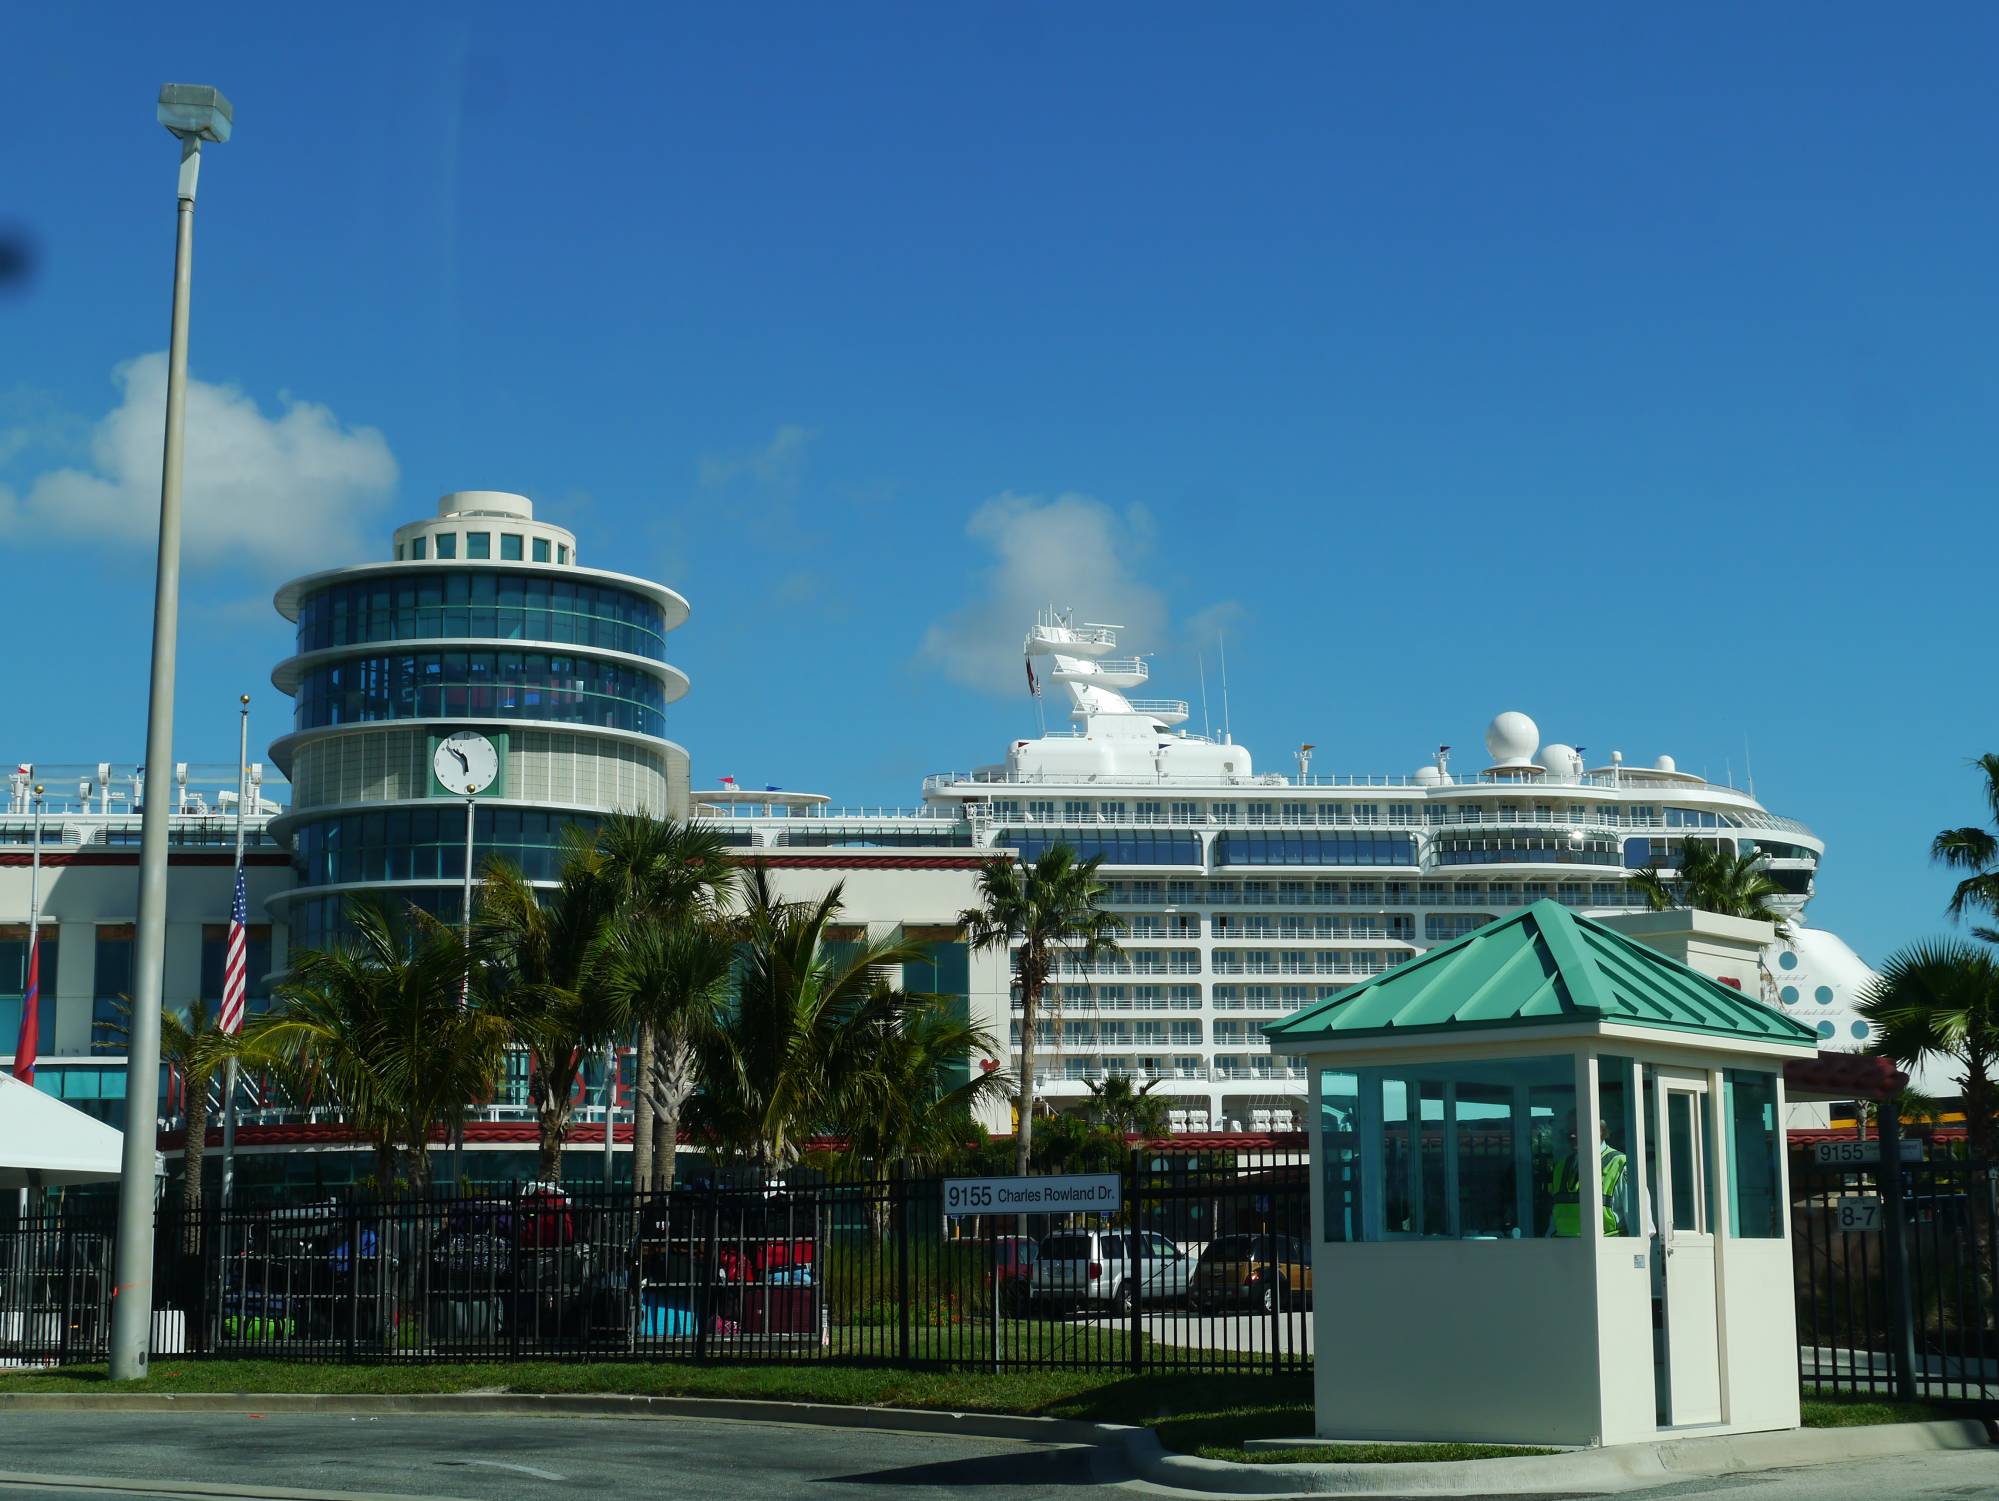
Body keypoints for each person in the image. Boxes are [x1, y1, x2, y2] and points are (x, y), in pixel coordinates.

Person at [1547, 1111, 1628, 1237]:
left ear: (1600, 1131)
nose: (1572, 1136)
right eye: (1568, 1131)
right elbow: (1555, 1220)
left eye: (1577, 1129)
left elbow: (1641, 1227)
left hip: (1607, 1254)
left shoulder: (1620, 1164)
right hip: (1562, 1252)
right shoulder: (1560, 1167)